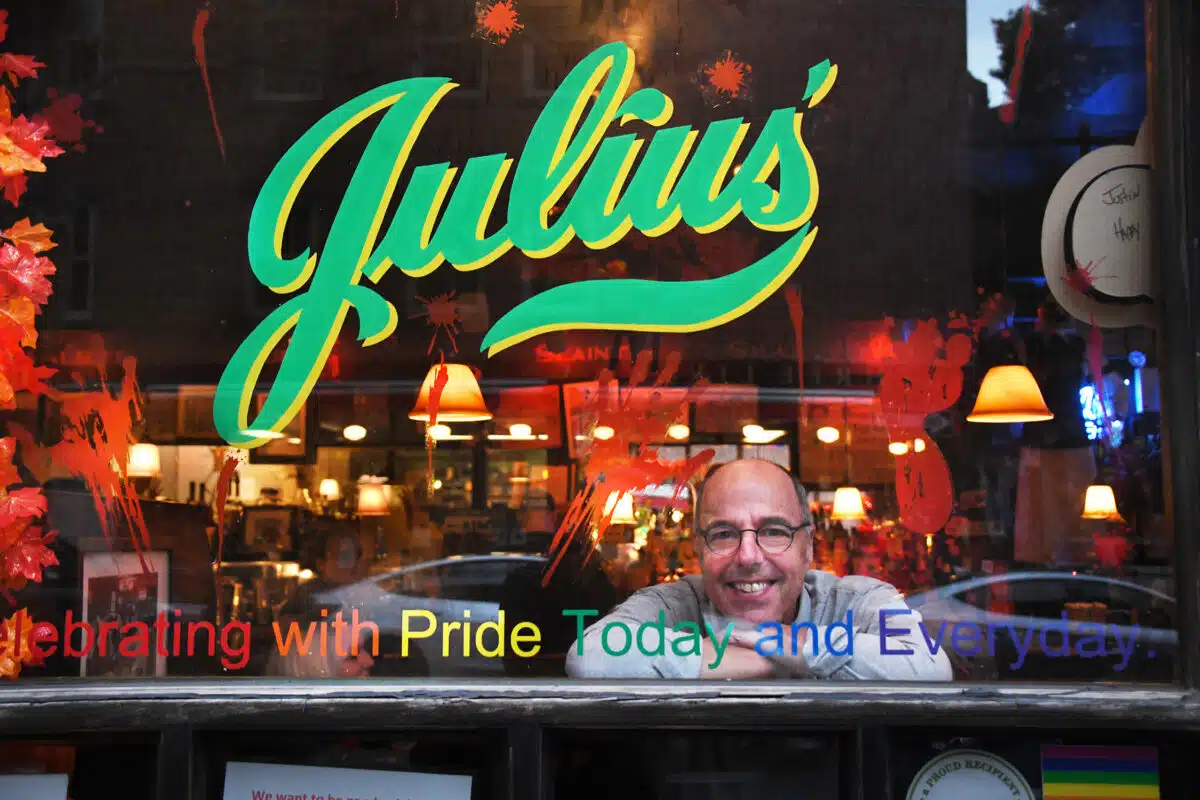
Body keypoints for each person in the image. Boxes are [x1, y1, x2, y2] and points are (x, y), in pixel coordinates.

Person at [566, 459, 953, 681]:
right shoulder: (675, 603)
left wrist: (801, 648)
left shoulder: (856, 600)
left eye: (773, 531)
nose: (748, 556)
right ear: (699, 548)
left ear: (808, 547)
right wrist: (775, 655)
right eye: (722, 534)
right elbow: (591, 656)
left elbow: (930, 665)